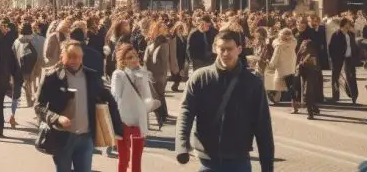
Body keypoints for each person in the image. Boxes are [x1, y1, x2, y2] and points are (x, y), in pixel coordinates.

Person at [175, 30, 274, 172]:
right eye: (222, 49)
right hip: (207, 161)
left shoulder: (252, 83)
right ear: (215, 48)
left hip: (238, 160)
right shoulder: (200, 78)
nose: (226, 53)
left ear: (239, 49)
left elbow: (263, 126)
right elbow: (186, 112)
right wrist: (181, 145)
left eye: (230, 49)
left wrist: (267, 166)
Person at [36, 39, 123, 172]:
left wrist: (117, 131)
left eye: (78, 57)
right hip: (62, 138)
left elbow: (110, 100)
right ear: (62, 56)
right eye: (71, 56)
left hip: (86, 138)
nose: (75, 60)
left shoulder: (92, 76)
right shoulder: (52, 77)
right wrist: (56, 118)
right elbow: (39, 106)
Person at [110, 43, 154, 172]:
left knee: (137, 160)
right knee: (123, 159)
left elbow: (147, 96)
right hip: (123, 121)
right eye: (130, 57)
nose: (134, 59)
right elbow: (115, 97)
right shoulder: (119, 74)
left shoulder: (143, 73)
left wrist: (142, 79)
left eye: (135, 56)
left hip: (139, 120)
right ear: (123, 60)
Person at [328, 17, 360, 104]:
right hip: (338, 58)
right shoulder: (336, 35)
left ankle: (354, 96)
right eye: (348, 24)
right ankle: (335, 96)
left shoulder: (351, 34)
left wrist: (356, 57)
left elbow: (354, 46)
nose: (349, 26)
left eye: (349, 24)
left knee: (351, 76)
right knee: (335, 77)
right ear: (343, 24)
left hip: (349, 58)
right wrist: (333, 58)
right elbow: (331, 47)